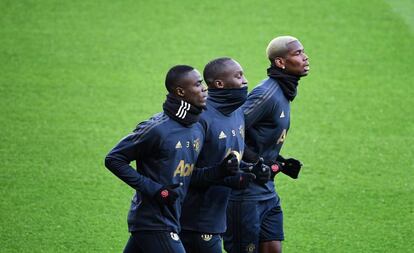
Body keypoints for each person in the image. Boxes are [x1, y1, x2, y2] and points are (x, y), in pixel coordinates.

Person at [105, 65, 235, 253]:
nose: (204, 89)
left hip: (172, 219)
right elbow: (114, 159)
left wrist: (220, 171)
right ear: (181, 91)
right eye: (198, 85)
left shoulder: (196, 127)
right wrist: (156, 190)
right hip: (154, 221)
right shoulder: (157, 129)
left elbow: (188, 174)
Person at [224, 36, 310, 253]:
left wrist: (279, 161)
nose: (305, 57)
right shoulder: (267, 94)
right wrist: (256, 161)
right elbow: (231, 131)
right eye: (298, 53)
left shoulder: (284, 91)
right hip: (245, 193)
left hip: (266, 190)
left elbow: (257, 135)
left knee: (273, 248)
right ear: (280, 62)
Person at [179, 57, 260, 253]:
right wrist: (222, 174)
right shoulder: (201, 118)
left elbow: (226, 162)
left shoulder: (237, 112)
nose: (245, 81)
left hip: (215, 219)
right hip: (193, 221)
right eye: (238, 76)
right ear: (219, 83)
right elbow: (181, 173)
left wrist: (251, 170)